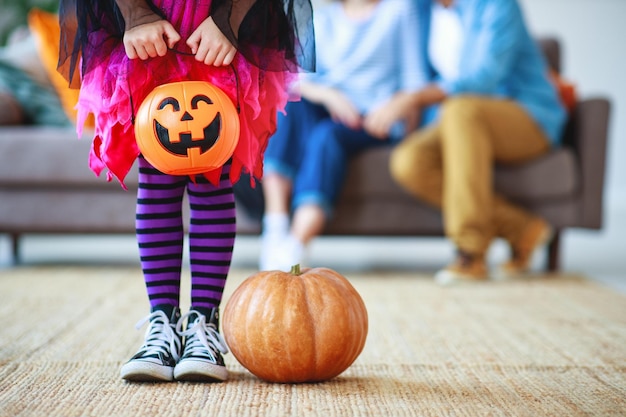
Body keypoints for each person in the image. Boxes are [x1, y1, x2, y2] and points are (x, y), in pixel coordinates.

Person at [58, 0, 314, 382]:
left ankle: (203, 324)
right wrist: (135, 14)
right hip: (147, 36)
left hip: (218, 34)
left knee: (211, 177)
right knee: (158, 180)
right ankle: (162, 320)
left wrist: (227, 18)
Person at [386, 0, 567, 285]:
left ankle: (470, 253)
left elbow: (483, 79)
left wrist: (414, 98)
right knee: (409, 160)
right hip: (461, 120)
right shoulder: (421, 12)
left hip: (528, 116)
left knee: (461, 109)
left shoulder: (497, 5)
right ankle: (522, 228)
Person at [259, 0, 427, 271]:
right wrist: (330, 95)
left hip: (375, 119)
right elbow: (296, 78)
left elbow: (414, 79)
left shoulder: (399, 10)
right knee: (289, 107)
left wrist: (404, 124)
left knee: (326, 138)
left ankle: (297, 243)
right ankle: (275, 226)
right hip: (330, 108)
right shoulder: (325, 19)